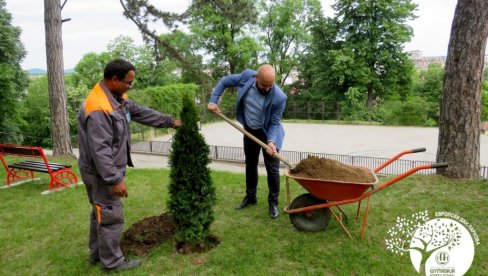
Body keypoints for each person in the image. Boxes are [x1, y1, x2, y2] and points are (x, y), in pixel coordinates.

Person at [77, 58, 181, 272]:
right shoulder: (99, 108)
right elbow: (101, 150)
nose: (130, 87)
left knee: (99, 210)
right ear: (114, 79)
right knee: (110, 213)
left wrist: (170, 121)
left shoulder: (116, 96)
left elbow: (141, 112)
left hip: (99, 170)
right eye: (128, 82)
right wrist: (114, 179)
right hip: (100, 172)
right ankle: (113, 262)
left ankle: (97, 254)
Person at [207, 64, 287, 219]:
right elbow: (224, 81)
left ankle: (273, 203)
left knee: (272, 170)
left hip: (267, 133)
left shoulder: (279, 97)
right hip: (249, 130)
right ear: (256, 78)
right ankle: (251, 197)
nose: (268, 88)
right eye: (265, 85)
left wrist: (271, 142)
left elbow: (275, 123)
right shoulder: (246, 77)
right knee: (250, 164)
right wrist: (213, 100)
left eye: (271, 85)